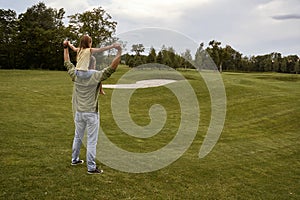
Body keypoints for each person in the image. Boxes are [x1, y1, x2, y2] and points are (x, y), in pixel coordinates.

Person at [63, 39, 122, 174]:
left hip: (79, 112)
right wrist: (119, 51)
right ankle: (91, 167)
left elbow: (67, 62)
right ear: (92, 64)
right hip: (91, 114)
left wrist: (65, 47)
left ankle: (75, 159)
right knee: (91, 141)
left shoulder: (75, 75)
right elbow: (112, 68)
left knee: (78, 136)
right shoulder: (96, 76)